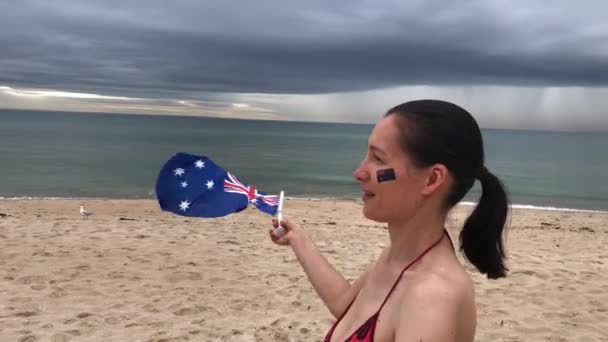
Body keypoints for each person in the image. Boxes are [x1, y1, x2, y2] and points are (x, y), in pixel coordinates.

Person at [269, 99, 509, 342]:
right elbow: (348, 308)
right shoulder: (398, 255)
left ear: (432, 179)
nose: (359, 172)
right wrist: (299, 240)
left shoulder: (431, 298)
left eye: (379, 159)